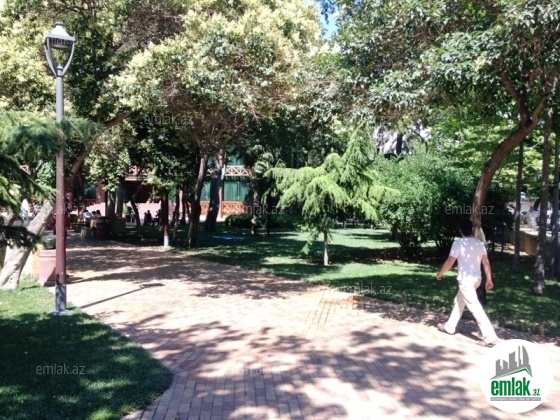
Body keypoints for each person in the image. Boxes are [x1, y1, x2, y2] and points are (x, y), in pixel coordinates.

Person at [435, 219, 499, 347]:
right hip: (477, 280)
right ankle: (449, 327)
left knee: (475, 307)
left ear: (460, 230)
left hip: (466, 280)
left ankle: (490, 337)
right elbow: (486, 262)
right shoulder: (479, 244)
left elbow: (449, 262)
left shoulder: (459, 243)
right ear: (472, 229)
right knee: (459, 302)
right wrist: (489, 279)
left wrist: (440, 273)